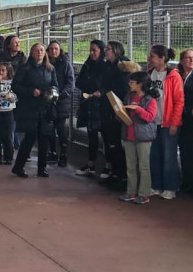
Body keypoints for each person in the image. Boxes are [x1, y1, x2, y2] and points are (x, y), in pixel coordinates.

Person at [11, 43, 58, 178]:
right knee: (30, 138)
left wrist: (53, 92)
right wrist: (31, 91)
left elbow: (55, 84)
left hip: (46, 107)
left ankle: (42, 169)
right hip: (30, 108)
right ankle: (18, 166)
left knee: (44, 138)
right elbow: (15, 86)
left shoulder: (50, 69)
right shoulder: (25, 68)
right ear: (32, 53)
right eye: (37, 50)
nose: (39, 52)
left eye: (42, 50)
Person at [99, 40, 139, 190]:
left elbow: (123, 89)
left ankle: (121, 175)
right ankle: (115, 173)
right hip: (108, 107)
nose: (105, 51)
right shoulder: (108, 66)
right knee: (111, 143)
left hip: (117, 109)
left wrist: (120, 109)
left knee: (118, 143)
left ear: (116, 50)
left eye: (108, 49)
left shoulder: (123, 66)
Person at [147, 45, 184, 200]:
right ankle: (156, 185)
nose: (150, 59)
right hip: (152, 122)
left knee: (169, 156)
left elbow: (179, 101)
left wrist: (174, 123)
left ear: (162, 58)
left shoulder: (173, 76)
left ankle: (170, 187)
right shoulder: (149, 74)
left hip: (167, 122)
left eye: (153, 56)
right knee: (153, 155)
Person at [118, 71, 159, 205]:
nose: (129, 84)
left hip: (143, 138)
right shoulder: (128, 96)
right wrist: (120, 113)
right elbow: (124, 114)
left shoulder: (150, 100)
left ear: (140, 84)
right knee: (130, 166)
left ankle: (144, 194)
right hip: (129, 136)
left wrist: (137, 109)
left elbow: (149, 117)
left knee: (143, 166)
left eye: (132, 82)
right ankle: (131, 191)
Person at [75, 40, 107, 176]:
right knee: (91, 135)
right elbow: (79, 81)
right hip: (89, 103)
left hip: (101, 106)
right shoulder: (88, 64)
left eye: (95, 50)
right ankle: (91, 164)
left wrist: (100, 91)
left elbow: (107, 84)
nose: (92, 53)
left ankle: (108, 165)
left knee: (106, 136)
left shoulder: (105, 66)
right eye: (91, 50)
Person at [46, 40, 75, 167]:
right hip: (48, 101)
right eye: (51, 49)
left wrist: (62, 94)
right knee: (50, 128)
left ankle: (63, 154)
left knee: (61, 129)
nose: (53, 51)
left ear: (60, 50)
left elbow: (70, 82)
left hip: (62, 102)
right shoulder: (45, 64)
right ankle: (52, 152)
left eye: (56, 49)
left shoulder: (66, 64)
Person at [180, 61, 193, 196]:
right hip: (189, 121)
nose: (191, 60)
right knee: (189, 152)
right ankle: (190, 183)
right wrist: (190, 109)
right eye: (188, 57)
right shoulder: (192, 75)